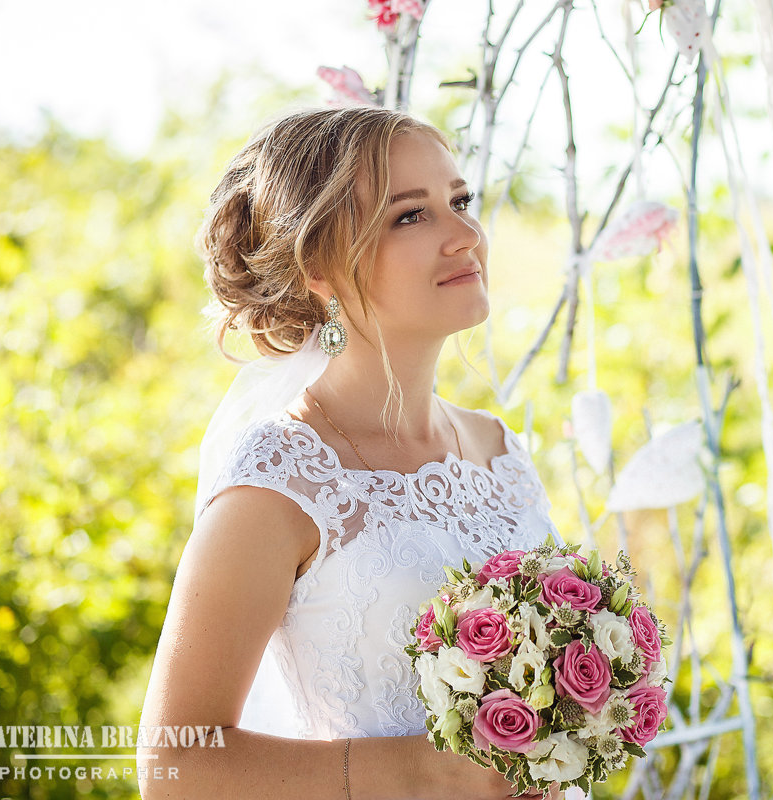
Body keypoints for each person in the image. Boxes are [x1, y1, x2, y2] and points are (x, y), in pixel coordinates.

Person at [139, 107, 563, 800]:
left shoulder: (497, 449)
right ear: (320, 266)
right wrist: (414, 773)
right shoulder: (279, 481)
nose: (464, 236)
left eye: (460, 202)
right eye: (409, 216)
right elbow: (172, 764)